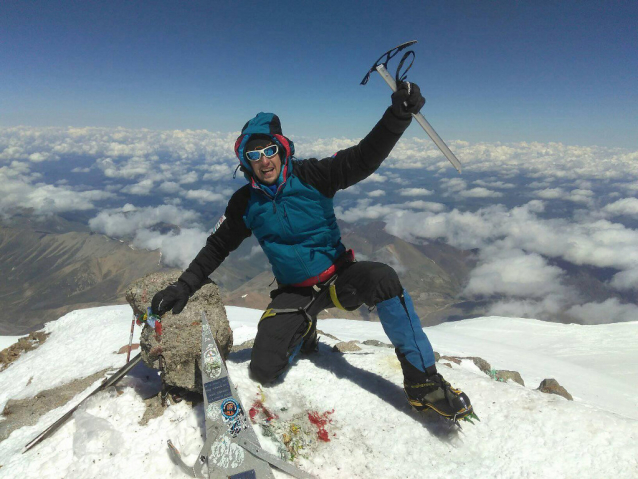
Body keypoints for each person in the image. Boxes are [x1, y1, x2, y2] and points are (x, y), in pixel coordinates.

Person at [151, 83, 473, 421]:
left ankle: (424, 383)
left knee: (383, 280)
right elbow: (217, 246)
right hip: (294, 292)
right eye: (254, 155)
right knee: (264, 370)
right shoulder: (245, 203)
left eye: (269, 150)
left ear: (282, 148)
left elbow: (364, 157)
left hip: (338, 277)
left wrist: (398, 115)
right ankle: (304, 328)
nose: (264, 160)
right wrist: (183, 286)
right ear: (245, 162)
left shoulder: (313, 175)